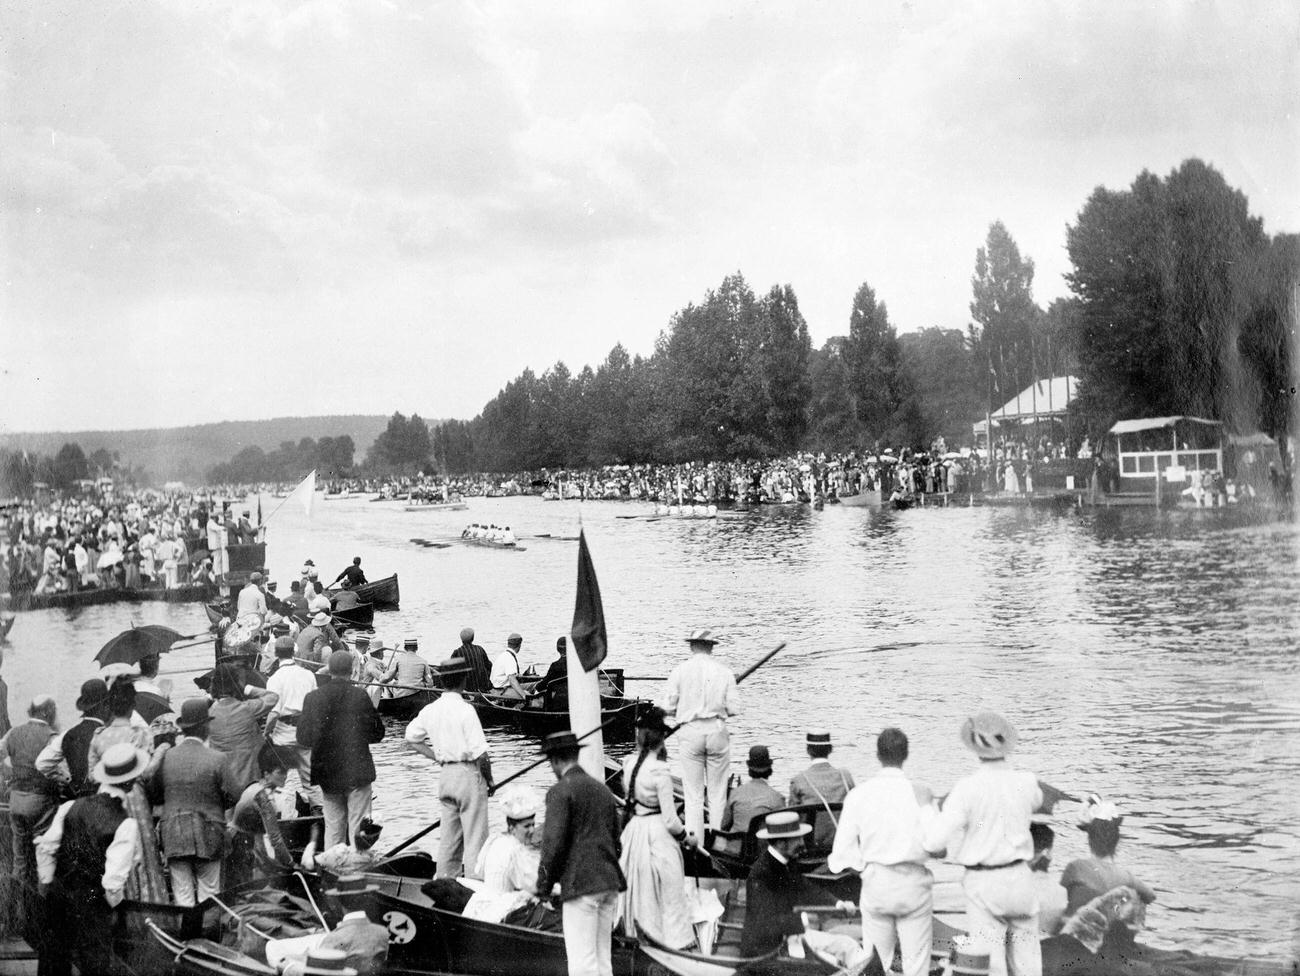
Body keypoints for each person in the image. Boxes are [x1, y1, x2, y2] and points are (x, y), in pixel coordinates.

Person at [923, 712, 1043, 976]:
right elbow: (1035, 800)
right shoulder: (1027, 781)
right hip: (1021, 878)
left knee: (992, 966)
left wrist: (929, 809)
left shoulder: (967, 788)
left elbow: (934, 841)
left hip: (985, 884)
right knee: (1029, 965)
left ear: (974, 749)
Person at [828, 727, 935, 976]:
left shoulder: (858, 795)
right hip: (914, 885)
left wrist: (864, 867)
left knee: (875, 965)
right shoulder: (919, 793)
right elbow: (936, 845)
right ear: (906, 755)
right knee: (917, 966)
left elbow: (840, 855)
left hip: (877, 883)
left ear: (878, 755)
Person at [35, 742, 148, 976]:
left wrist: (47, 882)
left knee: (53, 961)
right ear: (130, 783)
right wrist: (114, 907)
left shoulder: (69, 806)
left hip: (59, 893)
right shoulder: (126, 823)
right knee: (94, 963)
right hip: (92, 901)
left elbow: (46, 847)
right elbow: (113, 882)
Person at [536, 730, 625, 976]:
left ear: (554, 760)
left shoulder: (560, 792)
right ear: (576, 754)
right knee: (602, 959)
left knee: (581, 963)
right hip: (609, 882)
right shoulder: (603, 791)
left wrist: (543, 886)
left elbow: (552, 845)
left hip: (581, 884)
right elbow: (617, 842)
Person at [404, 658, 493, 879]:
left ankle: (444, 883)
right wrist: (490, 780)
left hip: (446, 775)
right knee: (475, 837)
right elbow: (481, 754)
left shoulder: (431, 709)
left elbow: (412, 738)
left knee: (449, 839)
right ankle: (475, 886)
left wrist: (437, 757)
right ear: (463, 679)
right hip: (468, 774)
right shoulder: (466, 710)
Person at [147, 698, 241, 906]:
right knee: (210, 892)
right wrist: (215, 803)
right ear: (205, 726)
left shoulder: (166, 757)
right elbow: (235, 794)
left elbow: (154, 794)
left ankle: (187, 936)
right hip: (209, 831)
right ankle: (208, 934)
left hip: (173, 832)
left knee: (182, 894)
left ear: (184, 728)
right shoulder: (218, 758)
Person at [741, 811, 864, 967]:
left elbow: (807, 888)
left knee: (848, 946)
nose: (802, 843)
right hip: (769, 951)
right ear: (780, 843)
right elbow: (765, 924)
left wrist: (839, 904)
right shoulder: (761, 873)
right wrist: (805, 920)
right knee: (835, 961)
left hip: (790, 938)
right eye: (797, 838)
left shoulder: (785, 861)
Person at [618, 706, 693, 948]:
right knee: (670, 892)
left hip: (634, 831)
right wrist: (687, 838)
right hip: (657, 832)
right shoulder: (660, 771)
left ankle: (638, 933)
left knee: (639, 889)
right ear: (661, 738)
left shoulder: (629, 765)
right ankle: (674, 942)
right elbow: (671, 821)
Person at [660, 629, 740, 844]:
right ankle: (719, 843)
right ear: (711, 647)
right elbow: (733, 709)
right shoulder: (725, 673)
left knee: (693, 793)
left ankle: (696, 843)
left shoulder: (679, 671)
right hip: (716, 730)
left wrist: (685, 708)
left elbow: (666, 707)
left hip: (690, 731)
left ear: (692, 646)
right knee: (718, 792)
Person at [297, 651, 384, 848]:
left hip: (327, 773)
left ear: (329, 670)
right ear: (352, 670)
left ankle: (332, 872)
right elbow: (378, 733)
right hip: (357, 769)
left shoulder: (313, 698)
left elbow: (302, 737)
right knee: (359, 829)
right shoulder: (360, 695)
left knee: (334, 829)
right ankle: (357, 871)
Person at [1, 695, 60, 941]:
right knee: (43, 859)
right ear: (48, 712)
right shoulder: (52, 736)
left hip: (16, 801)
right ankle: (40, 920)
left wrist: (12, 773)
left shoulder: (13, 733)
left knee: (20, 861)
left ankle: (14, 919)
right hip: (41, 802)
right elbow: (60, 771)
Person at [1061, 796, 1156, 920]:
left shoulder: (1076, 868)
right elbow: (1151, 896)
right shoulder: (1127, 877)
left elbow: (1058, 901)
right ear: (1116, 842)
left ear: (1090, 840)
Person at [463, 788, 542, 924]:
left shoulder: (494, 840)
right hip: (501, 908)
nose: (532, 830)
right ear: (512, 828)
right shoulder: (515, 850)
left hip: (482, 904)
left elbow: (479, 872)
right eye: (526, 826)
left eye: (533, 825)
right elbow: (533, 885)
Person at [227, 746, 293, 887]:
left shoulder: (255, 786)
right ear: (266, 773)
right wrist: (291, 863)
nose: (285, 776)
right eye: (280, 772)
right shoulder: (262, 797)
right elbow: (275, 838)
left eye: (286, 772)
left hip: (240, 842)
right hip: (240, 846)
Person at [208, 664, 279, 790]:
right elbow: (273, 697)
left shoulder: (209, 713)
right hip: (250, 778)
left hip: (224, 781)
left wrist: (211, 696)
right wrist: (246, 688)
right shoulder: (247, 708)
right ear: (236, 683)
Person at [36, 679, 111, 799]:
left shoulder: (67, 734)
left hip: (76, 799)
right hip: (101, 799)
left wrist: (67, 778)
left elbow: (41, 764)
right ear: (105, 706)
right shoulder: (107, 734)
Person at [788, 729, 855, 849]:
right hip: (843, 845)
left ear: (808, 750)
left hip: (810, 849)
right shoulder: (845, 776)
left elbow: (791, 819)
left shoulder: (799, 780)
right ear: (830, 749)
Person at [720, 745, 784, 847]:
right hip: (762, 852)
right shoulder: (778, 798)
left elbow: (723, 826)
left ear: (749, 768)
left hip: (735, 853)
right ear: (769, 769)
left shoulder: (735, 794)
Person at [451, 628, 493, 693]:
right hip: (484, 687)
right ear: (473, 638)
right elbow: (489, 665)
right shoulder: (479, 649)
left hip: (467, 689)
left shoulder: (457, 652)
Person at [133, 653, 172, 723]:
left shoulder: (133, 685)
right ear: (156, 668)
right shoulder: (159, 689)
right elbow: (163, 717)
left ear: (140, 665)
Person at [533, 637, 570, 709]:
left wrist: (536, 687)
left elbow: (544, 684)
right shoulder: (578, 665)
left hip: (557, 701)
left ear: (557, 649)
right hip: (572, 699)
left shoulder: (555, 665)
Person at [490, 633, 528, 699]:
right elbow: (512, 680)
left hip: (500, 687)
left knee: (534, 685)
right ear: (519, 645)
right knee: (529, 695)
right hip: (502, 691)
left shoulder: (503, 655)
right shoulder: (509, 658)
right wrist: (524, 695)